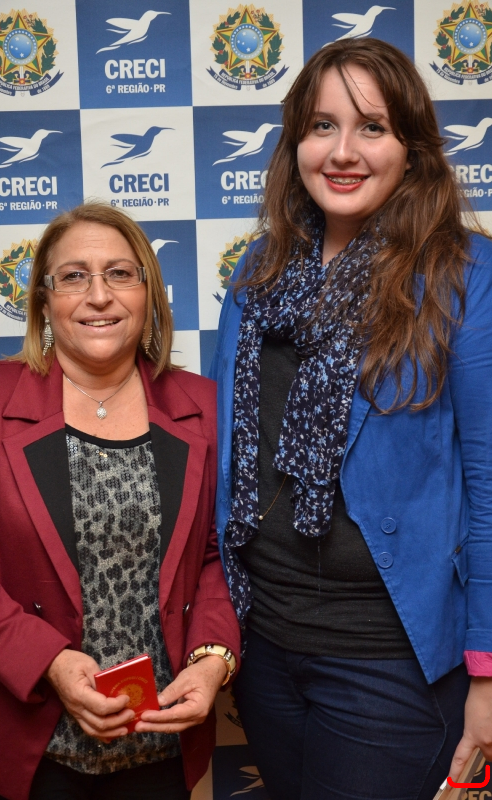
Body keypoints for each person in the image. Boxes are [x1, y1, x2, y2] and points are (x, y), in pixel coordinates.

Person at [211, 38, 492, 800]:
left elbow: (488, 484)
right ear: (294, 142)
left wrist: (486, 674)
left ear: (411, 148)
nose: (342, 151)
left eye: (371, 127)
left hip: (387, 659)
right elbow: (231, 461)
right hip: (267, 646)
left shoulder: (463, 273)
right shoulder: (260, 269)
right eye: (321, 126)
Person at [0, 202, 240, 800]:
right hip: (31, 746)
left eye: (120, 273)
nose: (98, 295)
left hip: (162, 741)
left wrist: (212, 658)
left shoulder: (205, 407)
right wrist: (50, 663)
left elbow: (220, 555)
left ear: (149, 294)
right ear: (43, 301)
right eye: (73, 276)